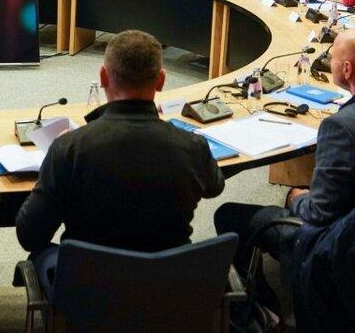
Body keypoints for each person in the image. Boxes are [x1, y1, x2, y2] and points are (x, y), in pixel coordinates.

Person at [214, 29, 355, 296]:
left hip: (349, 241)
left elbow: (318, 214)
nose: (329, 63)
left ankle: (260, 308)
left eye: (332, 59)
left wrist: (296, 199)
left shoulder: (341, 127)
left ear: (347, 69)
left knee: (229, 214)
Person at [16, 30, 224, 295]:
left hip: (89, 292)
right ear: (161, 81)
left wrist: (52, 163)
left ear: (103, 76)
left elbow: (30, 236)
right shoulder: (192, 146)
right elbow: (215, 186)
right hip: (168, 288)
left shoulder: (69, 148)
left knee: (41, 255)